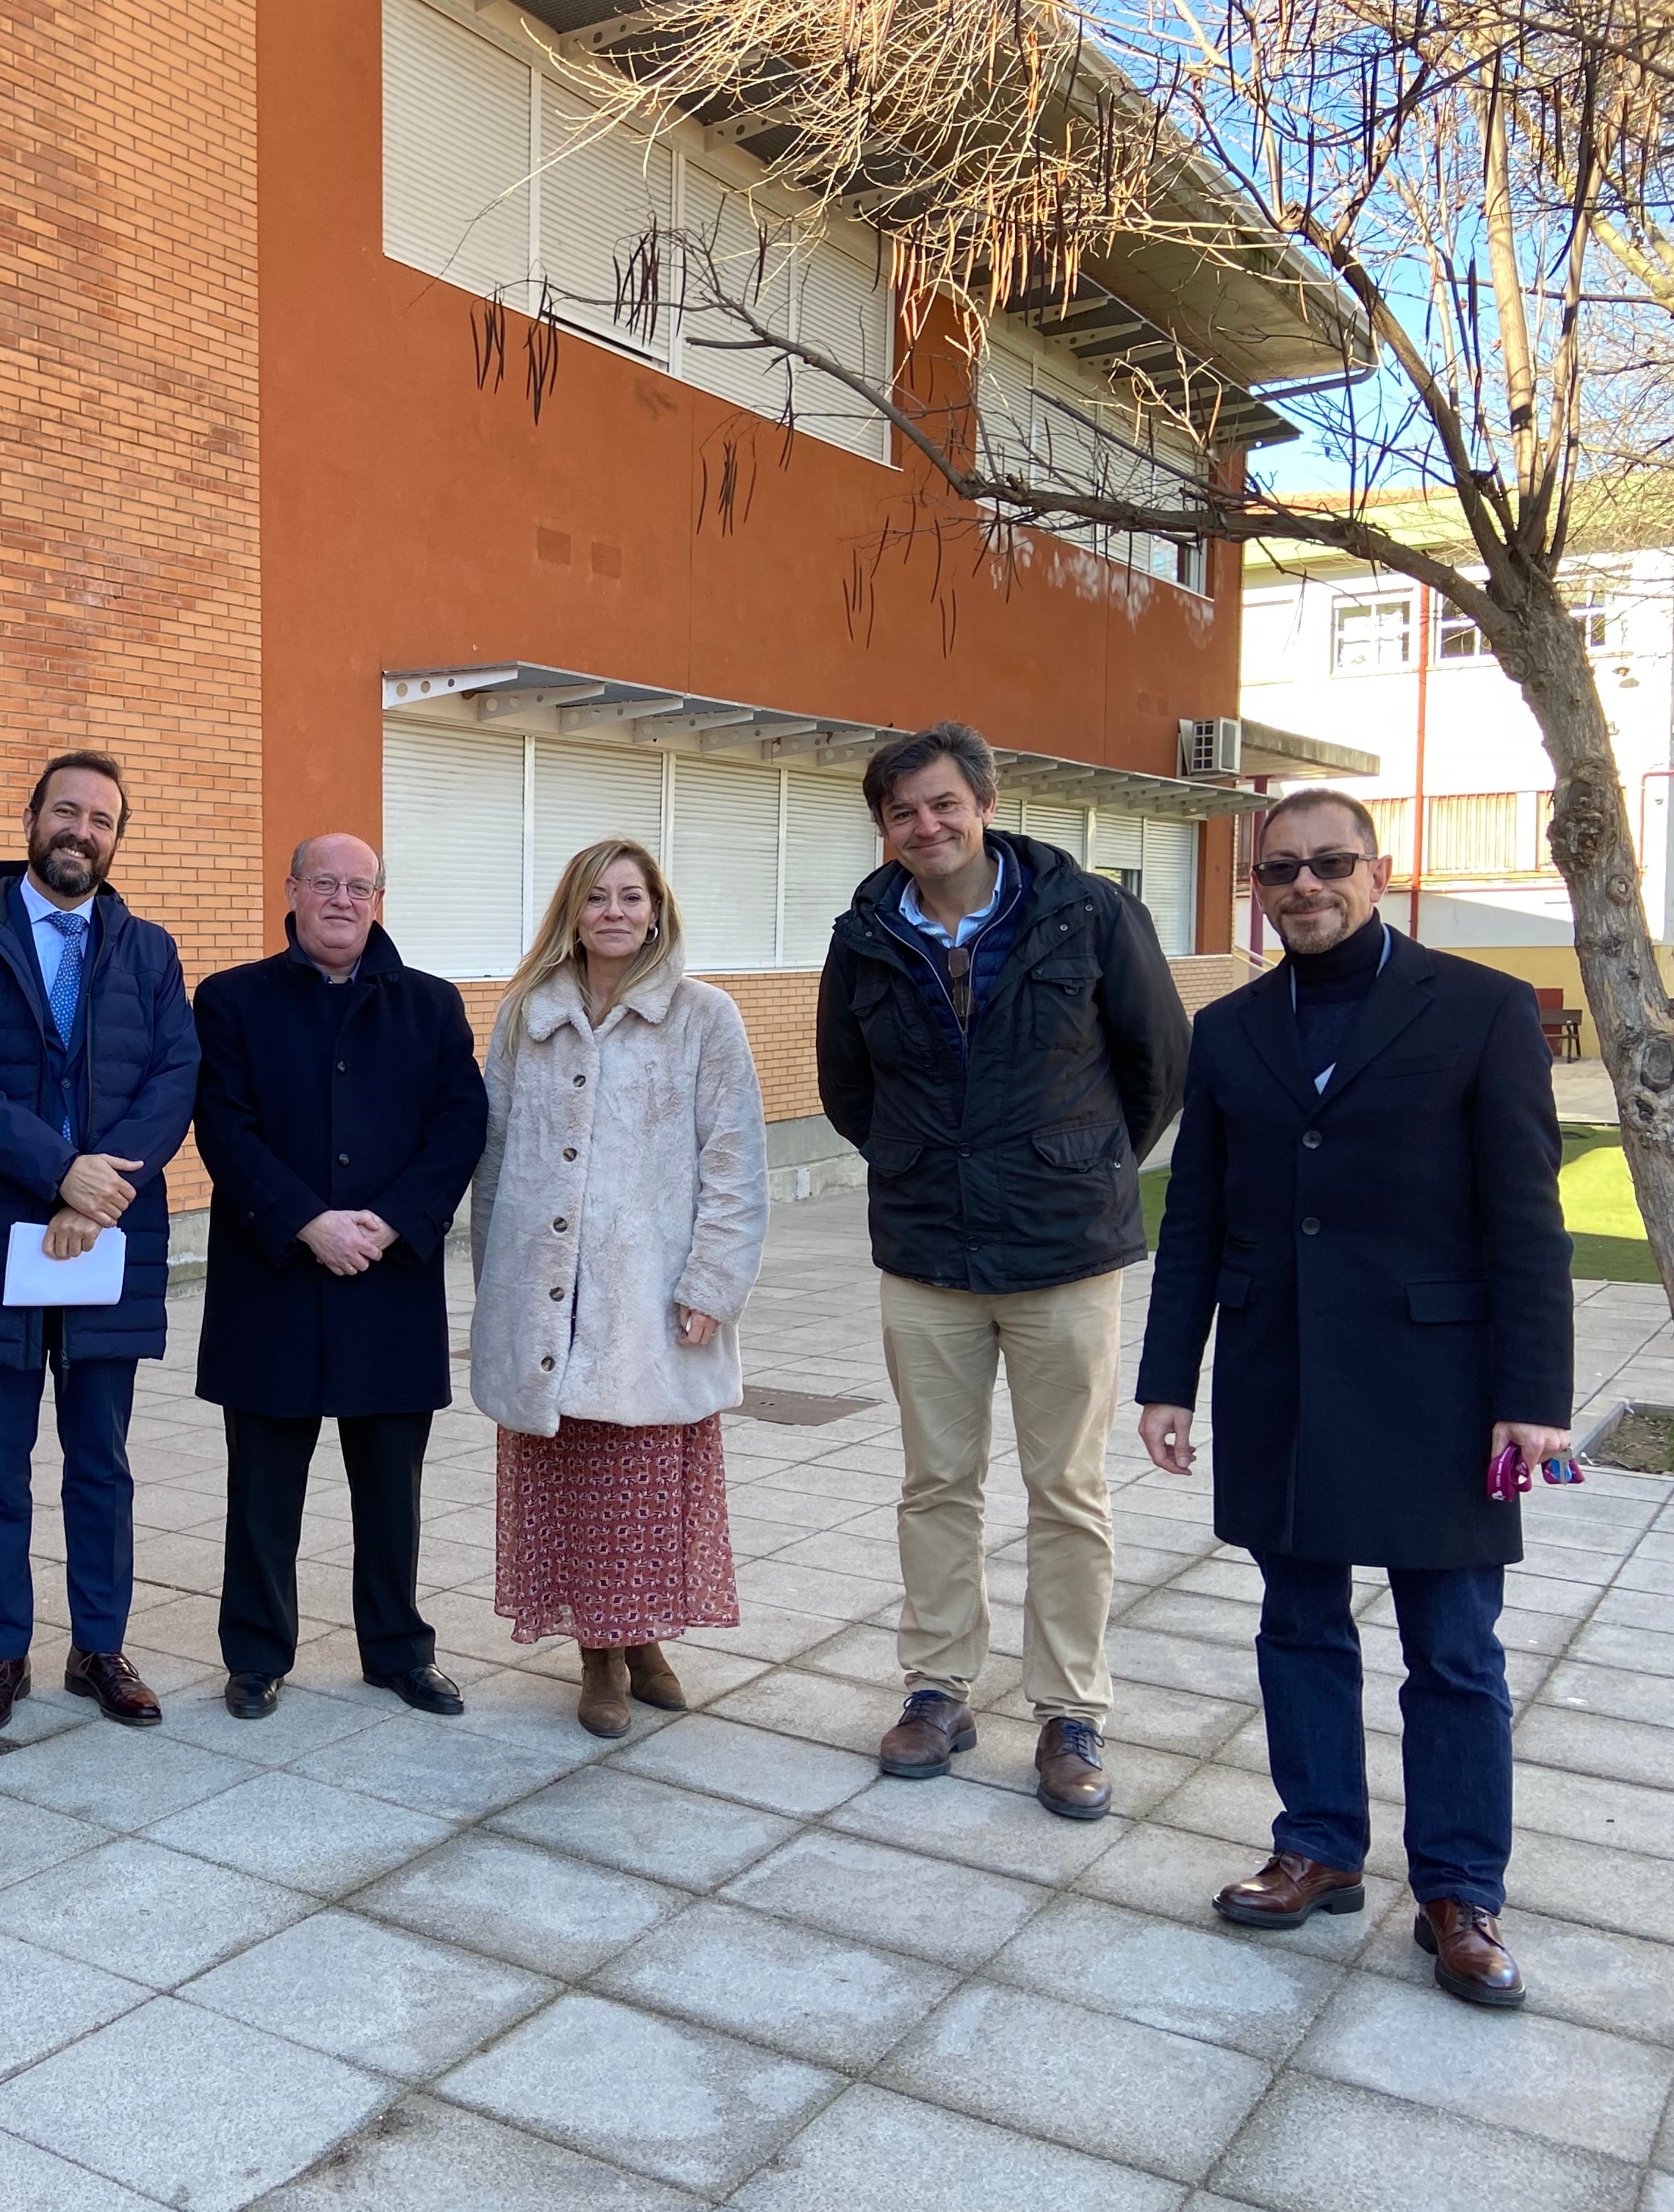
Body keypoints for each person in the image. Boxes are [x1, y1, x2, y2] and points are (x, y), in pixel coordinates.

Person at [1137, 788, 1570, 2007]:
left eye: (1330, 864)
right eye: (1280, 871)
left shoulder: (1479, 1009)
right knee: (1297, 1624)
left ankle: (1458, 1888)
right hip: (1285, 1376)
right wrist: (1169, 1375)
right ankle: (1320, 1844)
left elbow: (1524, 1220)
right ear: (1257, 886)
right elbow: (1198, 1223)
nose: (1305, 887)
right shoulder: (1225, 1031)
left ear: (1376, 871)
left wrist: (1531, 1394)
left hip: (1439, 1384)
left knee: (1452, 1647)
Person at [817, 722, 1189, 1819]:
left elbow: (1156, 1065)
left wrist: (1071, 1163)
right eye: (901, 812)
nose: (924, 825)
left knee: (1066, 1489)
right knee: (936, 1483)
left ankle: (1071, 1712)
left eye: (941, 803)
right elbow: (848, 1086)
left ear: (985, 801)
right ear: (884, 829)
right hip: (928, 1251)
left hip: (1065, 1254)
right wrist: (918, 1159)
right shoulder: (866, 933)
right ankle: (938, 1689)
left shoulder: (1091, 912)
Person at [0, 750, 199, 1732]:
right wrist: (55, 1171)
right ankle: (3, 1652)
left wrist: (98, 1190)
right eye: (65, 812)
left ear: (118, 839)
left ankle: (100, 1645)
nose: (82, 831)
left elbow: (173, 1079)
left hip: (105, 1236)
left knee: (101, 1458)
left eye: (103, 820)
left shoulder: (148, 952)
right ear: (31, 818)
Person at [469, 839, 768, 1739]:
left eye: (630, 897)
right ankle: (596, 1655)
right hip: (545, 1293)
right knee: (570, 1478)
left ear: (656, 909)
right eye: (596, 897)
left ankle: (643, 1641)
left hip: (650, 1293)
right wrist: (502, 1290)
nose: (613, 912)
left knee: (643, 1478)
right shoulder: (528, 1015)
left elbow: (735, 1161)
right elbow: (494, 1155)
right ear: (572, 910)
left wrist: (713, 1279)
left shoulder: (703, 1017)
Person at [192, 834, 488, 1719]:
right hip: (273, 1276)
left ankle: (398, 1649)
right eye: (325, 882)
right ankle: (255, 1654)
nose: (342, 899)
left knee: (393, 1490)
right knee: (262, 1489)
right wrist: (307, 1222)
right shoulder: (232, 999)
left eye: (360, 886)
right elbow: (224, 1128)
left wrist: (391, 1220)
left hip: (389, 1279)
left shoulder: (432, 1007)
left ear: (379, 899)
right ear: (291, 889)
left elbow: (460, 1124)